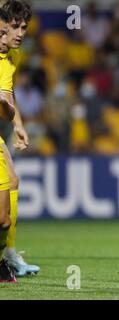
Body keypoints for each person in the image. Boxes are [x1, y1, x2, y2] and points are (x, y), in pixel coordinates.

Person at [0, 0, 40, 277]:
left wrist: (18, 124)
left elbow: (7, 94)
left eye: (23, 27)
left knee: (13, 181)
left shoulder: (12, 57)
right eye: (14, 26)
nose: (20, 32)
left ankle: (9, 255)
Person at [0, 6, 17, 283]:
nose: (4, 40)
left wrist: (5, 106)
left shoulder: (4, 64)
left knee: (3, 220)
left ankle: (5, 257)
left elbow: (8, 111)